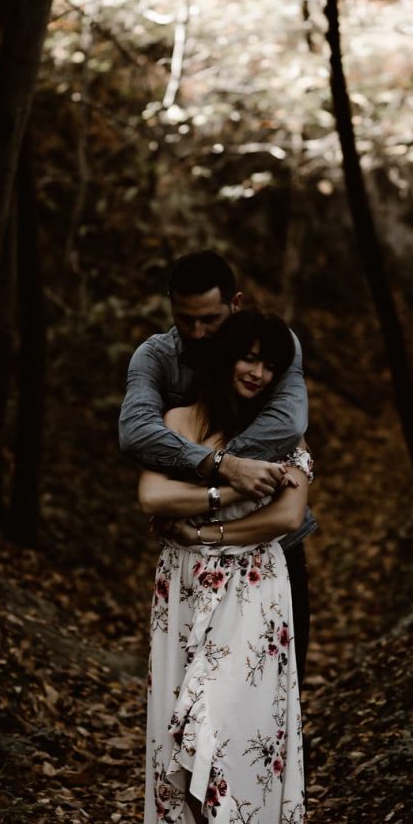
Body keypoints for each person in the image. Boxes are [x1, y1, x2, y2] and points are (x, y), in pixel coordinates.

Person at [127, 310, 313, 824]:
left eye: (271, 364)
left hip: (255, 590)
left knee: (235, 732)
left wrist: (210, 528)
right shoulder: (176, 423)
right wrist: (226, 485)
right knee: (179, 741)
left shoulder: (280, 429)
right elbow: (153, 497)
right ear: (223, 357)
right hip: (181, 589)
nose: (258, 372)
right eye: (248, 358)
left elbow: (287, 513)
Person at [118, 250, 316, 684]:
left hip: (270, 551)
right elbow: (135, 433)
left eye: (209, 319)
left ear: (236, 303)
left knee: (274, 694)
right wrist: (222, 468)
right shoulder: (156, 358)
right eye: (185, 319)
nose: (198, 332)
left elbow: (287, 426)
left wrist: (186, 483)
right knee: (194, 700)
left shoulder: (274, 348)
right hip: (192, 564)